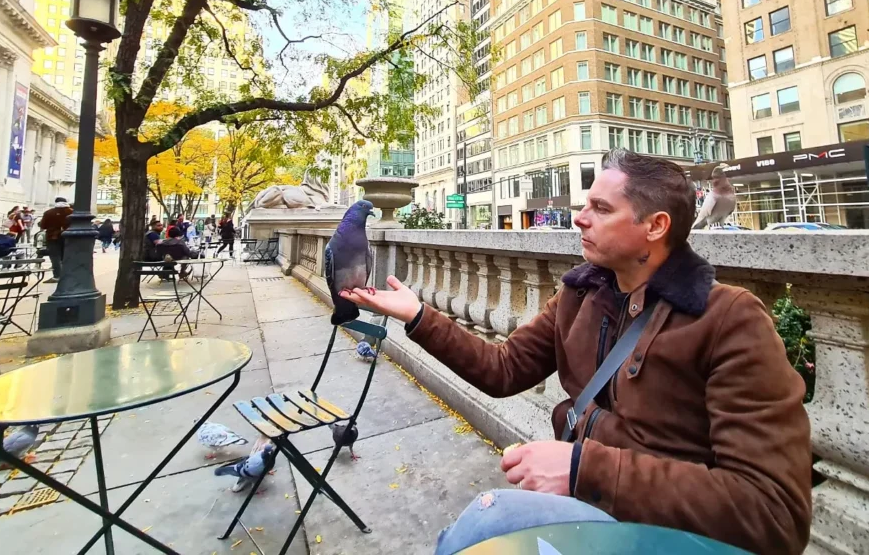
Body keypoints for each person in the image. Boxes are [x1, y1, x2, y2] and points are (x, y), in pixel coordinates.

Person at [342, 150, 812, 555]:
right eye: (585, 205)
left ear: (655, 226)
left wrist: (583, 467)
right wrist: (419, 315)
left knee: (482, 528)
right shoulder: (580, 296)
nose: (579, 217)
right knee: (467, 534)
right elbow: (502, 370)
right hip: (587, 508)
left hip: (669, 535)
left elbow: (773, 512)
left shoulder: (730, 319)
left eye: (600, 208)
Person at [39, 196, 73, 282]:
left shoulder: (49, 213)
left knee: (55, 257)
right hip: (68, 236)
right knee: (66, 256)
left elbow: (43, 225)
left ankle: (57, 276)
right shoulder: (72, 212)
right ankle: (67, 275)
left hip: (53, 237)